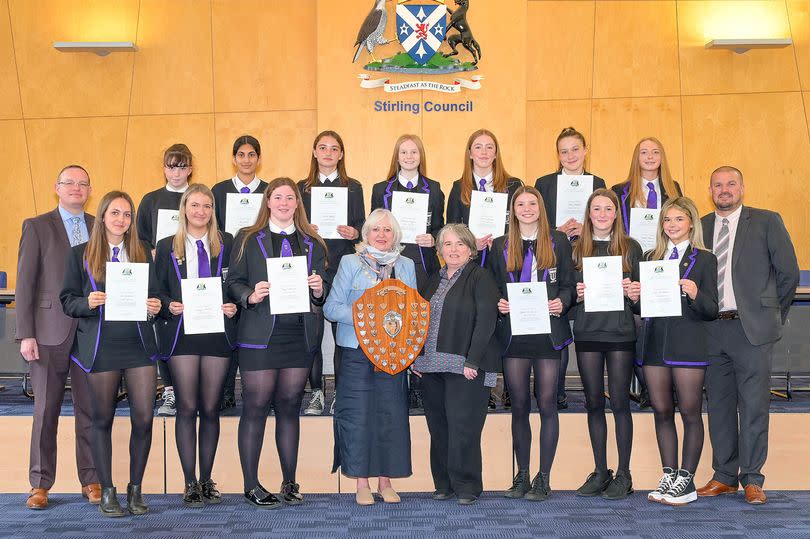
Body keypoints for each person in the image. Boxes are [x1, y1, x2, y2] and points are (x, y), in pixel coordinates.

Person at [698, 166, 798, 505]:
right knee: (720, 406)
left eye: (731, 184)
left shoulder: (767, 221)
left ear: (742, 187)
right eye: (718, 185)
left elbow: (788, 274)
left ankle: (752, 478)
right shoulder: (702, 227)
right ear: (710, 190)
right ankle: (724, 476)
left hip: (752, 330)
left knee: (754, 406)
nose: (724, 190)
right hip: (712, 330)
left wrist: (770, 317)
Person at [226, 178, 327, 509]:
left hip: (297, 335)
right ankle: (251, 484)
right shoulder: (246, 238)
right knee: (255, 408)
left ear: (297, 203)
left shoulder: (313, 242)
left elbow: (321, 291)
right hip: (259, 337)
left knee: (289, 409)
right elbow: (234, 282)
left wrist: (317, 289)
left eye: (290, 197)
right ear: (267, 202)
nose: (284, 202)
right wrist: (249, 295)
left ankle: (289, 481)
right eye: (278, 197)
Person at [59, 191, 162, 517]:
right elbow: (67, 299)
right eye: (115, 213)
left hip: (138, 345)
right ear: (102, 216)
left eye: (127, 215)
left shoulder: (142, 252)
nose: (121, 220)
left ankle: (135, 490)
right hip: (100, 346)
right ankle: (107, 491)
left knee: (143, 419)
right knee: (101, 420)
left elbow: (157, 293)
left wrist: (155, 306)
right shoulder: (79, 254)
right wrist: (86, 303)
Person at [16, 165, 100, 509]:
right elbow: (25, 283)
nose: (76, 188)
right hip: (49, 331)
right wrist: (26, 334)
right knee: (45, 409)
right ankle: (40, 484)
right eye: (70, 183)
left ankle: (92, 479)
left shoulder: (100, 225)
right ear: (57, 188)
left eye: (83, 184)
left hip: (91, 331)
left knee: (90, 410)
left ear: (90, 189)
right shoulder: (36, 226)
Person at [324, 209, 416, 506]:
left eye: (387, 230)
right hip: (356, 353)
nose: (381, 234)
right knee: (358, 416)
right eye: (375, 229)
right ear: (365, 234)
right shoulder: (350, 262)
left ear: (396, 236)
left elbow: (413, 310)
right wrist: (368, 316)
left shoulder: (406, 265)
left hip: (393, 355)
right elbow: (331, 308)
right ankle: (362, 482)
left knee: (390, 416)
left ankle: (385, 481)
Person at [487, 187, 574, 501]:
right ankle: (522, 475)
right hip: (515, 334)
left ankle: (544, 478)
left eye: (532, 203)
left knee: (547, 403)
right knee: (519, 406)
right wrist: (498, 302)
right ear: (512, 210)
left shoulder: (559, 241)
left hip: (548, 333)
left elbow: (568, 284)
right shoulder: (500, 245)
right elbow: (493, 286)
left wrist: (562, 302)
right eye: (520, 204)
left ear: (541, 207)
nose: (526, 208)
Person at [154, 184, 237, 507]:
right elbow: (157, 289)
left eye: (206, 206)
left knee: (211, 408)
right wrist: (168, 304)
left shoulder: (226, 244)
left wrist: (234, 305)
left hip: (217, 332)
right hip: (182, 334)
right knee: (187, 408)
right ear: (184, 209)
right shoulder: (166, 247)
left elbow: (235, 283)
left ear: (212, 211)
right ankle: (189, 482)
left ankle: (206, 479)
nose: (200, 211)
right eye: (194, 205)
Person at [414, 223, 501, 505]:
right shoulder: (432, 280)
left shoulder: (481, 277)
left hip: (466, 366)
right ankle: (444, 483)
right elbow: (418, 320)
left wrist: (472, 360)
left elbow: (486, 321)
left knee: (464, 427)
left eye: (460, 244)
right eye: (447, 244)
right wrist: (414, 357)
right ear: (439, 250)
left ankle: (467, 486)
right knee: (438, 427)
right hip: (430, 366)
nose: (453, 249)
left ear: (471, 249)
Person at [641, 196, 718, 506]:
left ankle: (686, 479)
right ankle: (669, 474)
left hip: (688, 344)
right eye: (667, 220)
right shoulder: (650, 256)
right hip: (655, 342)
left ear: (690, 223)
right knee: (661, 411)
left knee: (689, 411)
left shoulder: (705, 259)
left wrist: (695, 292)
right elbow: (642, 307)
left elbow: (711, 309)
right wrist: (634, 295)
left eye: (678, 219)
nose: (672, 225)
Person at [571, 188, 642, 500]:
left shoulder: (631, 248)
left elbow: (642, 301)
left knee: (620, 403)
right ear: (589, 214)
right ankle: (601, 471)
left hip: (620, 334)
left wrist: (633, 293)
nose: (602, 214)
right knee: (593, 403)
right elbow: (566, 299)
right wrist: (576, 295)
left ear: (616, 214)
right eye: (596, 209)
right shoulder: (575, 250)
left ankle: (624, 473)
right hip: (588, 333)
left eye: (608, 209)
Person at [446, 129, 522, 410]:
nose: (484, 152)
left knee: (505, 319)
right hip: (473, 265)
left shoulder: (513, 185)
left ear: (496, 152)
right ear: (470, 152)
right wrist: (471, 243)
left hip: (506, 262)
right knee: (479, 322)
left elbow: (522, 222)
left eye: (490, 147)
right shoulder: (458, 187)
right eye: (478, 146)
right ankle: (486, 387)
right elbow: (451, 229)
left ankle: (511, 386)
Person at [535, 127, 607, 410]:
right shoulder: (544, 183)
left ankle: (594, 392)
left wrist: (585, 227)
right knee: (558, 320)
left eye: (575, 149)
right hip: (554, 257)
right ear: (558, 155)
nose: (570, 156)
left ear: (585, 150)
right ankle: (558, 389)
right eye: (564, 151)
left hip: (588, 256)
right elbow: (530, 219)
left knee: (585, 319)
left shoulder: (598, 181)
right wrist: (556, 230)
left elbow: (606, 216)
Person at [370, 134, 444, 412]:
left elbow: (441, 226)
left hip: (423, 266)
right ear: (397, 156)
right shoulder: (381, 189)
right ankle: (396, 382)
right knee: (393, 322)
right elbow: (373, 227)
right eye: (404, 152)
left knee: (419, 323)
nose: (409, 156)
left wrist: (434, 238)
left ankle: (418, 385)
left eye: (414, 152)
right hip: (390, 266)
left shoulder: (434, 189)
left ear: (420, 156)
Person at [612, 137, 682, 410]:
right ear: (636, 157)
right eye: (644, 152)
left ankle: (667, 387)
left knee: (664, 324)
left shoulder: (673, 189)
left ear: (662, 157)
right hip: (632, 264)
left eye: (655, 152)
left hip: (664, 264)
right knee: (637, 324)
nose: (650, 157)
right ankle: (648, 387)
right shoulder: (620, 191)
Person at [298, 130, 365, 416]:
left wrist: (355, 232)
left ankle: (340, 392)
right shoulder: (301, 188)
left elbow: (363, 226)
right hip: (311, 267)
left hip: (343, 266)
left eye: (334, 148)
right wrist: (304, 229)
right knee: (312, 334)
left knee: (342, 334)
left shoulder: (353, 187)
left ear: (341, 154)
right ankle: (316, 393)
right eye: (322, 147)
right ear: (314, 152)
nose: (328, 153)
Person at [137, 144, 194, 418]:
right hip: (161, 273)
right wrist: (151, 250)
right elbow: (139, 237)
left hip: (193, 275)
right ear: (164, 169)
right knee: (163, 329)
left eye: (182, 166)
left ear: (190, 169)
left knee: (192, 330)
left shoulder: (197, 197)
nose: (176, 172)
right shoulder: (151, 200)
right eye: (171, 166)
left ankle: (191, 391)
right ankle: (170, 390)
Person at [212, 135, 269, 410]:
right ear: (234, 159)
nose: (246, 160)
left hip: (259, 267)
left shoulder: (269, 191)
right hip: (227, 266)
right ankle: (225, 390)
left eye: (251, 155)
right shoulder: (219, 190)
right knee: (229, 325)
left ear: (259, 158)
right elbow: (213, 228)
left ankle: (257, 390)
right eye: (241, 155)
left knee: (255, 324)